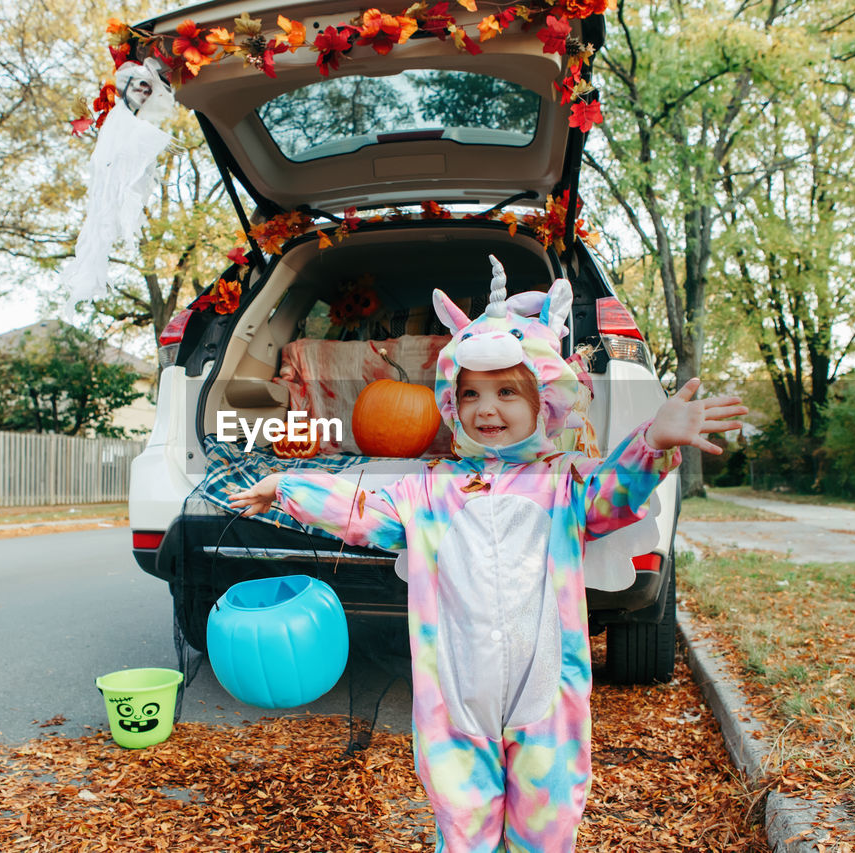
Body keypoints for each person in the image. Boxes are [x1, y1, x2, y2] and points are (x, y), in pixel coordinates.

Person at [230, 256, 745, 853]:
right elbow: (366, 511)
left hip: (546, 696)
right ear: (452, 403)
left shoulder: (565, 483)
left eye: (507, 391)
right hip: (456, 701)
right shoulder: (433, 489)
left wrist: (653, 440)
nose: (486, 408)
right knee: (465, 827)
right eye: (471, 393)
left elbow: (613, 499)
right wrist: (290, 489)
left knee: (545, 829)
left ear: (544, 401)